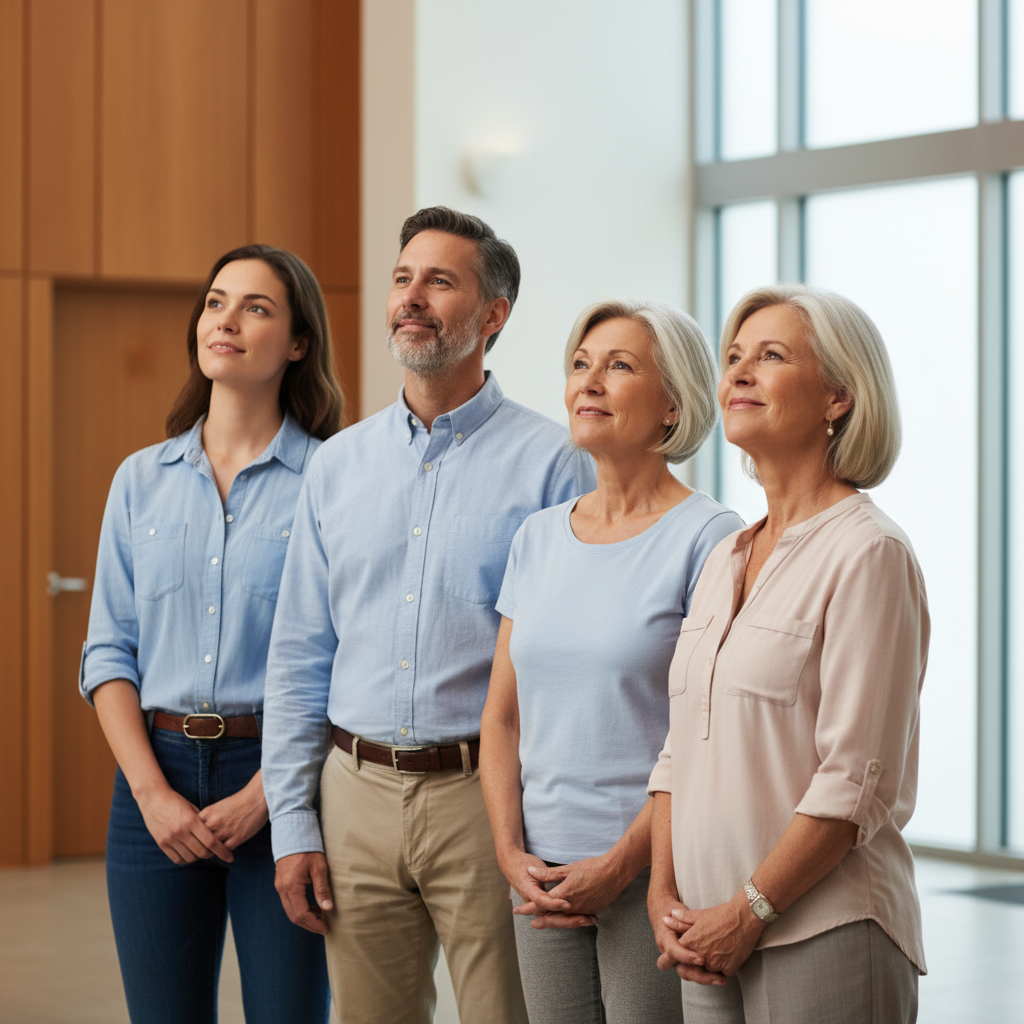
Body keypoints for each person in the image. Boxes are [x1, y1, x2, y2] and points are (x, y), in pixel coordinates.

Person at [261, 207, 597, 1024]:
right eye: (403, 278)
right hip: (353, 793)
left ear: (493, 316)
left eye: (439, 281)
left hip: (485, 797)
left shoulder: (558, 464)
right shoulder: (336, 466)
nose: (411, 298)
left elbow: (569, 662)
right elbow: (300, 653)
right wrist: (293, 823)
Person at [647, 283, 928, 1024]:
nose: (737, 371)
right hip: (703, 934)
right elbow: (679, 751)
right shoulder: (725, 557)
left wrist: (751, 910)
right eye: (733, 356)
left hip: (821, 930)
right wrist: (662, 892)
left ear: (839, 395)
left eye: (770, 356)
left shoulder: (870, 552)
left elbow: (855, 782)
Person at [81, 244, 341, 1024]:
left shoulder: (333, 481)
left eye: (256, 307)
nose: (225, 320)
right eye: (216, 302)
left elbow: (346, 662)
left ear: (298, 342)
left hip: (284, 783)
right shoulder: (139, 479)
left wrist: (269, 796)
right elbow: (107, 652)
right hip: (151, 781)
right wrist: (151, 794)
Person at [480, 299, 743, 1023]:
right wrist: (511, 854)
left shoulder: (711, 536)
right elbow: (501, 718)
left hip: (652, 872)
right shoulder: (536, 537)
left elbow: (703, 736)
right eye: (579, 365)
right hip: (541, 876)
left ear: (671, 405)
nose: (588, 383)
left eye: (618, 366)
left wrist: (622, 864)